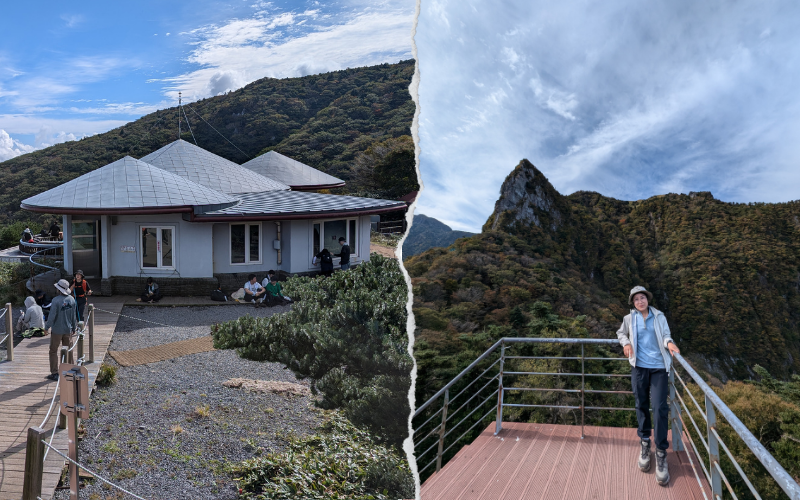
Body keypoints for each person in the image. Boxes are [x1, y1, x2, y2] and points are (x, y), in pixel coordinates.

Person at [616, 285, 681, 487]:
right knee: (641, 404)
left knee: (661, 407)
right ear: (633, 303)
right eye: (636, 299)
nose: (640, 301)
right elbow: (620, 333)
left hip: (659, 368)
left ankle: (661, 451)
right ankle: (645, 442)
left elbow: (665, 335)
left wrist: (669, 343)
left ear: (647, 299)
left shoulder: (659, 316)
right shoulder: (629, 319)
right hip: (639, 368)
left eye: (642, 298)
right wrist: (626, 343)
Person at [45, 279, 77, 381]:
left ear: (58, 289)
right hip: (68, 329)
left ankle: (55, 373)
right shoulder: (71, 300)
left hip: (57, 330)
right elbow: (73, 316)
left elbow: (52, 316)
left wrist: (46, 328)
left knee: (53, 351)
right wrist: (74, 327)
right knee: (69, 350)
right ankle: (71, 370)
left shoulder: (55, 300)